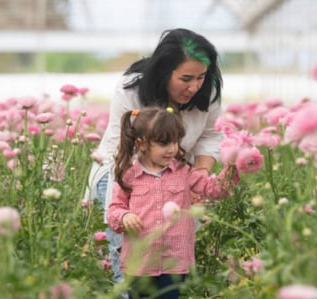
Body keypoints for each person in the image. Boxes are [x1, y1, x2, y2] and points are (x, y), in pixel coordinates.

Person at [84, 28, 224, 291]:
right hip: (123, 173)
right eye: (185, 78)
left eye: (201, 77)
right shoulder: (133, 89)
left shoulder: (208, 92)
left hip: (179, 176)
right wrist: (123, 213)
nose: (195, 86)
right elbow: (121, 148)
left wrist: (200, 176)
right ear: (164, 72)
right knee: (130, 265)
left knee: (170, 265)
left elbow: (209, 136)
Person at [106, 107, 239, 299]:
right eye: (164, 143)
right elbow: (113, 211)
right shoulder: (128, 175)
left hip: (174, 263)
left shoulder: (184, 172)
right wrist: (124, 216)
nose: (172, 148)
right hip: (139, 262)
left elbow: (217, 189)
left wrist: (232, 164)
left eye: (176, 141)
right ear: (141, 144)